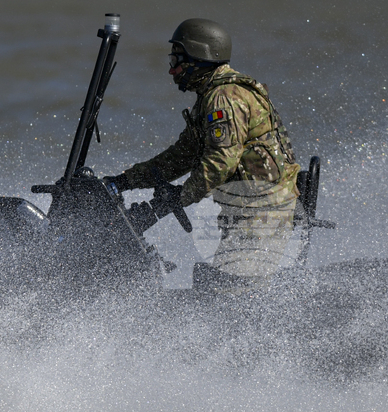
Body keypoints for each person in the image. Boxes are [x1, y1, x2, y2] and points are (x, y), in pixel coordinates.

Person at [103, 18, 300, 282]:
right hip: (250, 211)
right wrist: (124, 181)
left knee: (227, 294)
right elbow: (179, 157)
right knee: (214, 287)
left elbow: (220, 163)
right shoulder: (211, 97)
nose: (172, 71)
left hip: (262, 214)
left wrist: (181, 196)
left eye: (177, 61)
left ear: (200, 58)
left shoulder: (224, 98)